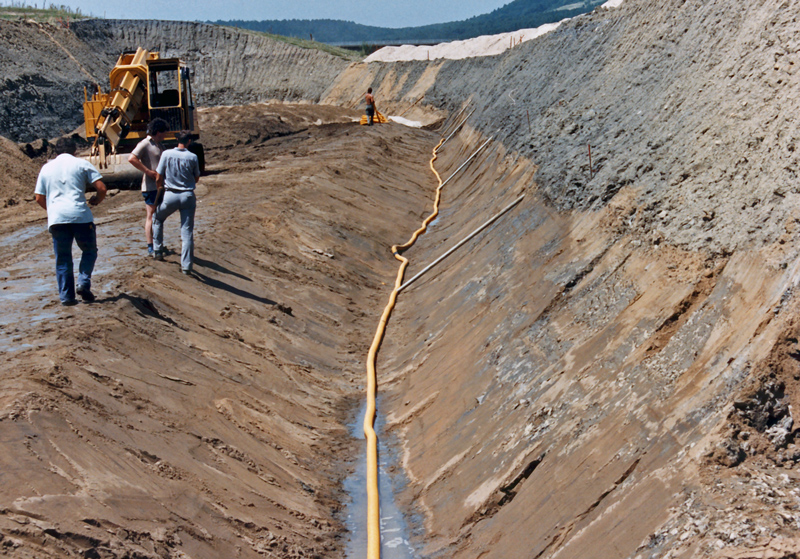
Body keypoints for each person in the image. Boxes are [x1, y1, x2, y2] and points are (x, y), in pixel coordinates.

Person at [34, 137, 107, 306]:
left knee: (63, 258)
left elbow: (38, 197)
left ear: (56, 152)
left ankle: (67, 297)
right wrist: (96, 200)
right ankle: (83, 282)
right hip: (80, 216)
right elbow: (102, 188)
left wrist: (52, 211)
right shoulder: (82, 164)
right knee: (89, 251)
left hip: (57, 219)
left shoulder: (46, 168)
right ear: (74, 151)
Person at [152, 130, 201, 275]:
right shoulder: (193, 157)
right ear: (189, 141)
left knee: (157, 218)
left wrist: (159, 188)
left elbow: (159, 176)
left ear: (176, 139)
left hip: (170, 195)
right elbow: (196, 178)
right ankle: (187, 266)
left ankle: (157, 250)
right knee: (187, 232)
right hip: (187, 196)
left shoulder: (166, 154)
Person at [129, 118, 168, 256]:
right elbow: (132, 158)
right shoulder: (145, 143)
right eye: (164, 133)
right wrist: (147, 171)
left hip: (159, 185)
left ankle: (159, 244)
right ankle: (151, 246)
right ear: (158, 132)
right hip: (150, 186)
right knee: (151, 216)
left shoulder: (159, 144)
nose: (165, 135)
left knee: (159, 216)